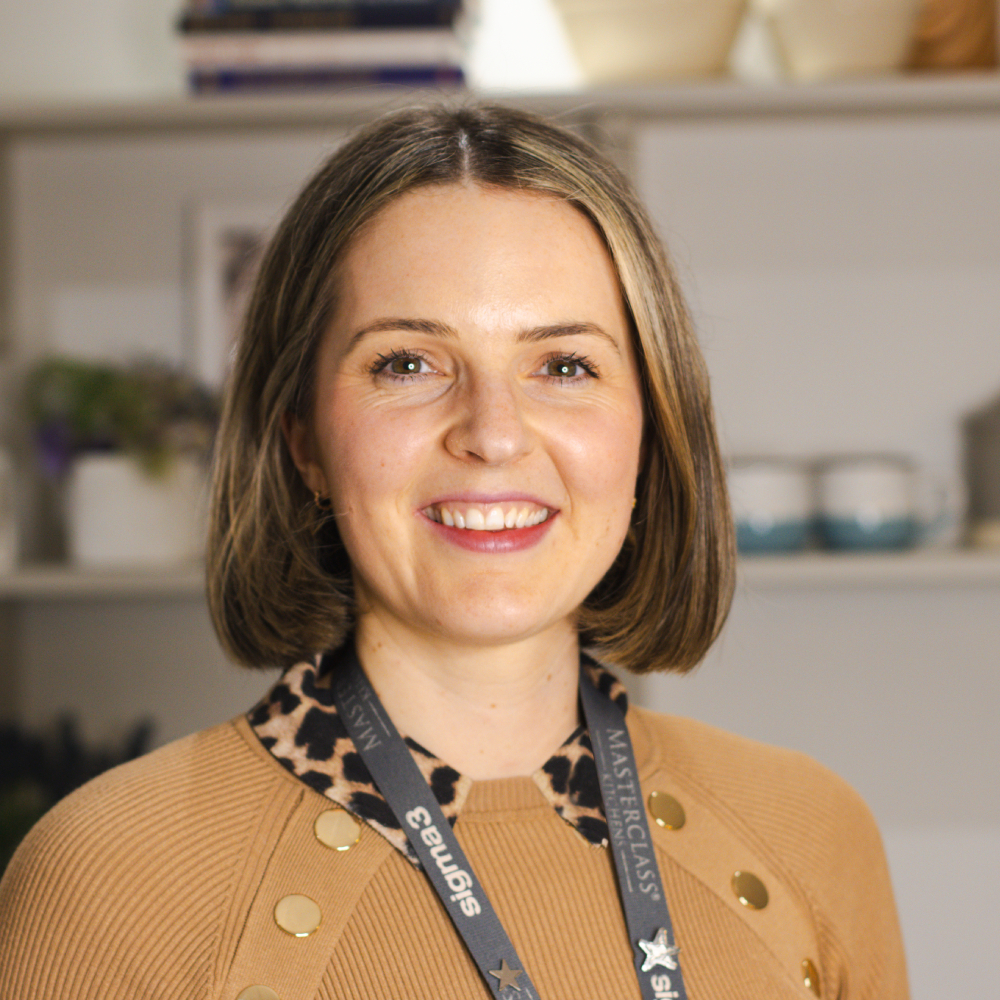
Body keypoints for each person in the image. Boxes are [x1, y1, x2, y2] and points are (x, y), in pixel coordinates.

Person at [0, 104, 908, 1000]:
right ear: (304, 439)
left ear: (651, 430)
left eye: (563, 366)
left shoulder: (812, 829)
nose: (493, 434)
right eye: (406, 362)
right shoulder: (108, 877)